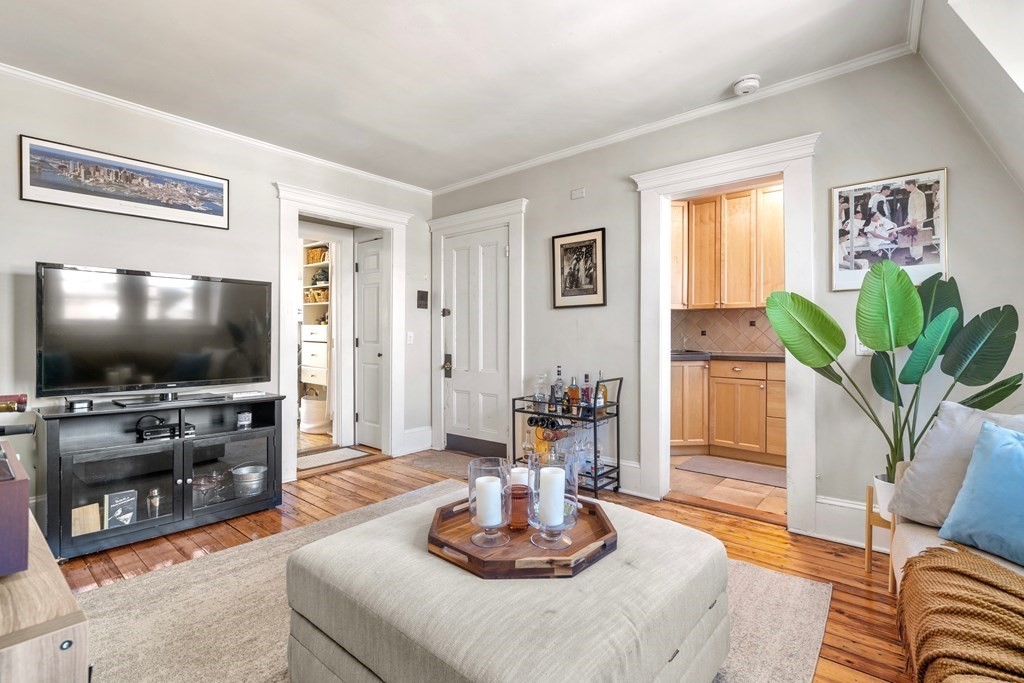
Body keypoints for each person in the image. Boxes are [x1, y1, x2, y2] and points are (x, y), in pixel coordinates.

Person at [904, 179, 927, 264]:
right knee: (912, 238)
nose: (905, 187)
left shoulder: (919, 194)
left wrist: (914, 220)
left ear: (911, 185)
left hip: (917, 220)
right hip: (912, 220)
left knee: (917, 238)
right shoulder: (912, 194)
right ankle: (913, 256)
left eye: (905, 185)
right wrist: (907, 219)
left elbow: (919, 209)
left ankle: (918, 257)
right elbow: (912, 209)